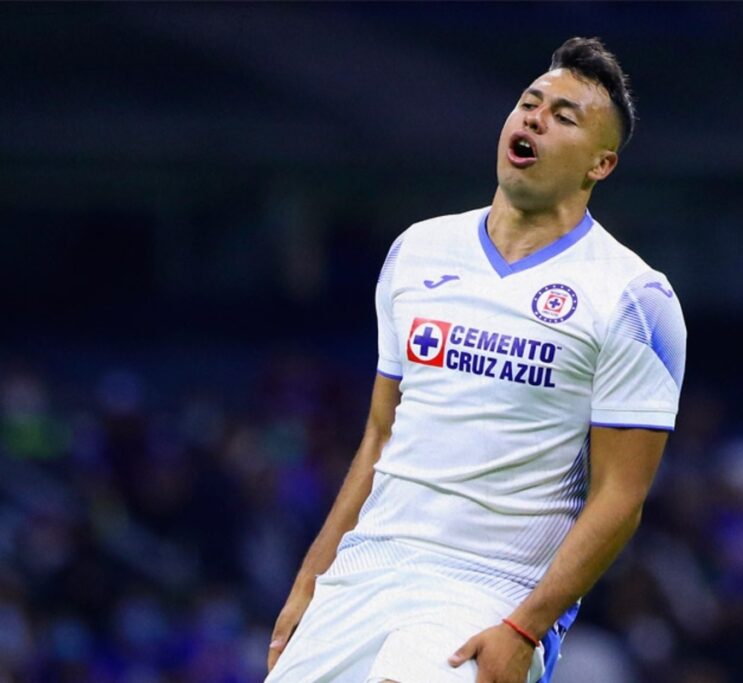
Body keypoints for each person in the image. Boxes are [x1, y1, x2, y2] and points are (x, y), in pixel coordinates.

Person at [265, 36, 686, 683]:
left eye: (563, 116)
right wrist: (309, 582)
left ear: (600, 165)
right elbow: (381, 435)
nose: (534, 118)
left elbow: (619, 497)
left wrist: (525, 626)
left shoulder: (634, 298)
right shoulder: (418, 251)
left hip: (486, 591)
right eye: (529, 102)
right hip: (364, 573)